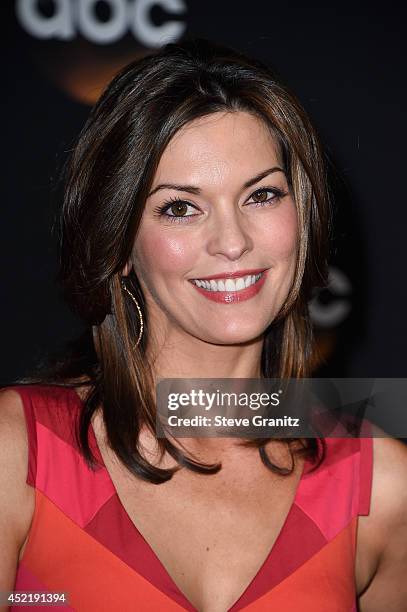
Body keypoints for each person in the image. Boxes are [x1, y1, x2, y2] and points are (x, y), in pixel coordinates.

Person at [0, 38, 406, 612]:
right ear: (118, 240)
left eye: (262, 195)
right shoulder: (17, 452)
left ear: (303, 217)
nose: (234, 241)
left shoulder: (381, 486)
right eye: (180, 208)